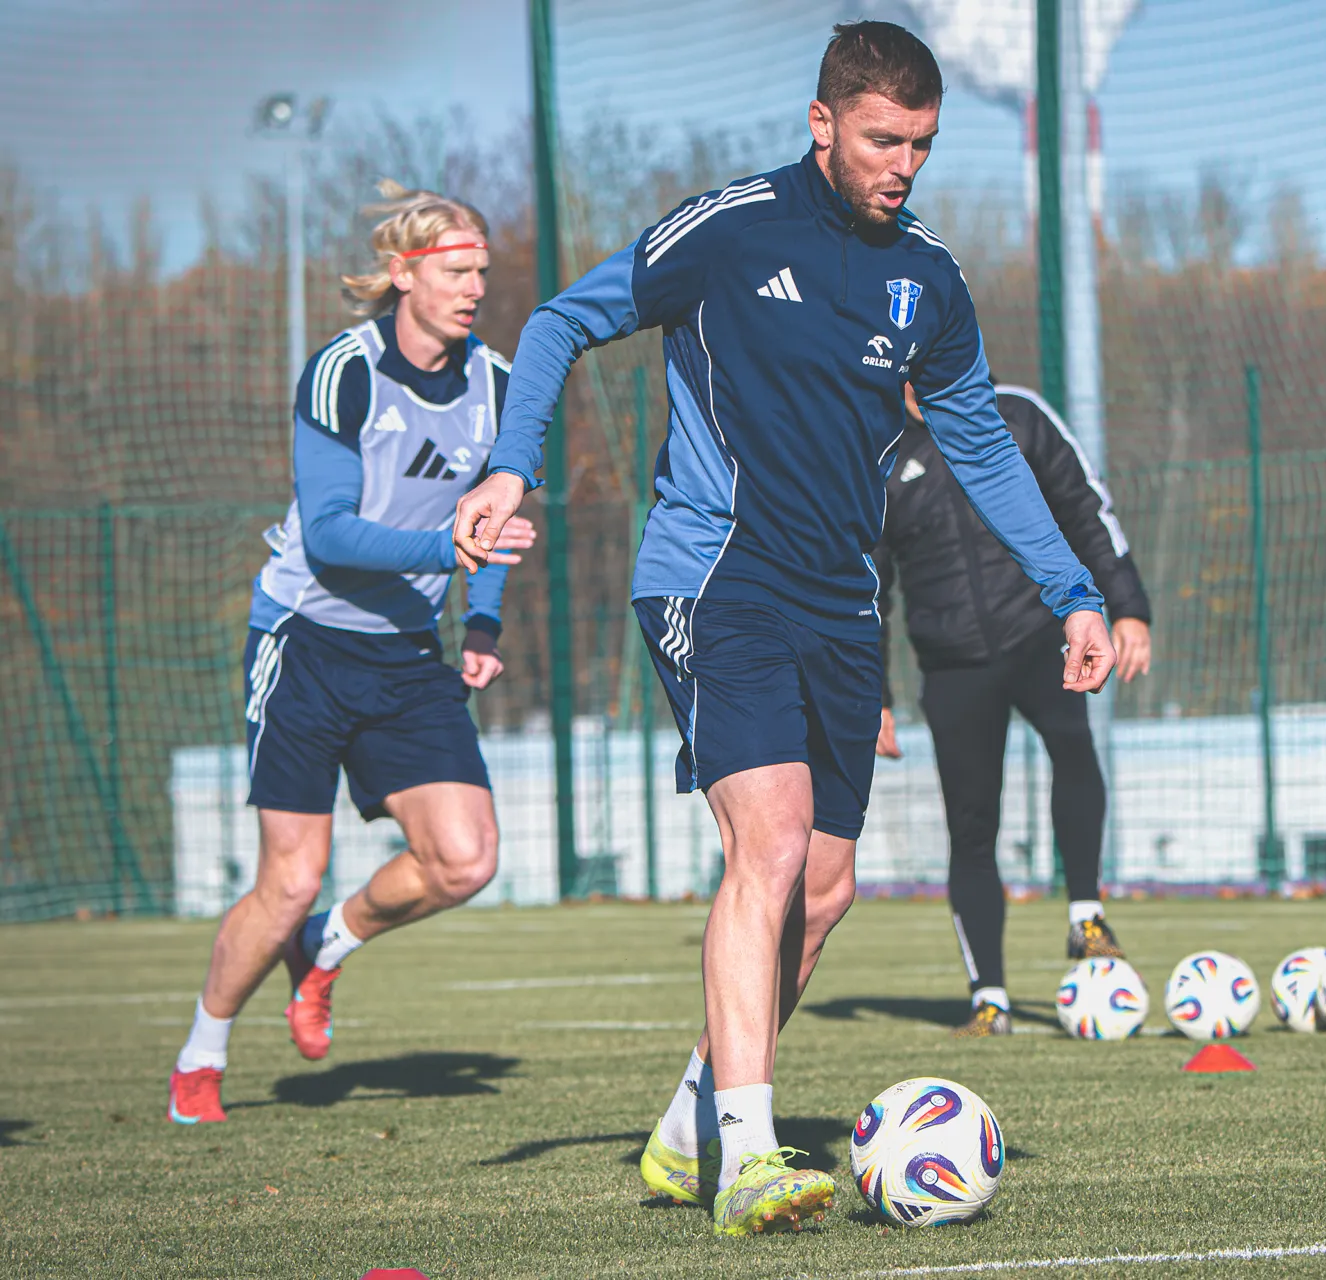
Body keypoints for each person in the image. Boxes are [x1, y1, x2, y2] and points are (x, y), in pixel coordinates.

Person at [452, 21, 1114, 1238]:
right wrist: (510, 466)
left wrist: (1073, 589)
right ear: (823, 124)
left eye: (920, 144)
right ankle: (749, 1155)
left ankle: (686, 1125)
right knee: (769, 839)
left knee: (824, 884)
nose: (902, 165)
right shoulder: (731, 229)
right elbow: (556, 323)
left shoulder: (931, 279)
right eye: (882, 140)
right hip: (716, 575)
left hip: (841, 602)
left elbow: (977, 441)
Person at [166, 182, 535, 1126]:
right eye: (456, 271)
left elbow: (493, 525)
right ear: (403, 273)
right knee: (288, 879)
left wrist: (481, 624)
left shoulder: (497, 384)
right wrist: (449, 552)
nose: (474, 288)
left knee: (465, 860)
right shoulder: (344, 371)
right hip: (306, 641)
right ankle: (201, 1055)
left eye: (482, 272)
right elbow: (329, 535)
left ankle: (326, 946)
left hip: (406, 653)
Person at [875, 382, 1152, 1036]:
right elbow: (870, 584)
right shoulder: (880, 450)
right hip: (953, 664)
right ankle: (989, 999)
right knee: (971, 825)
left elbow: (1087, 510)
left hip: (1040, 636)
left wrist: (1128, 606)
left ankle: (1086, 916)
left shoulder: (1017, 414)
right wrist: (872, 695)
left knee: (1073, 746)